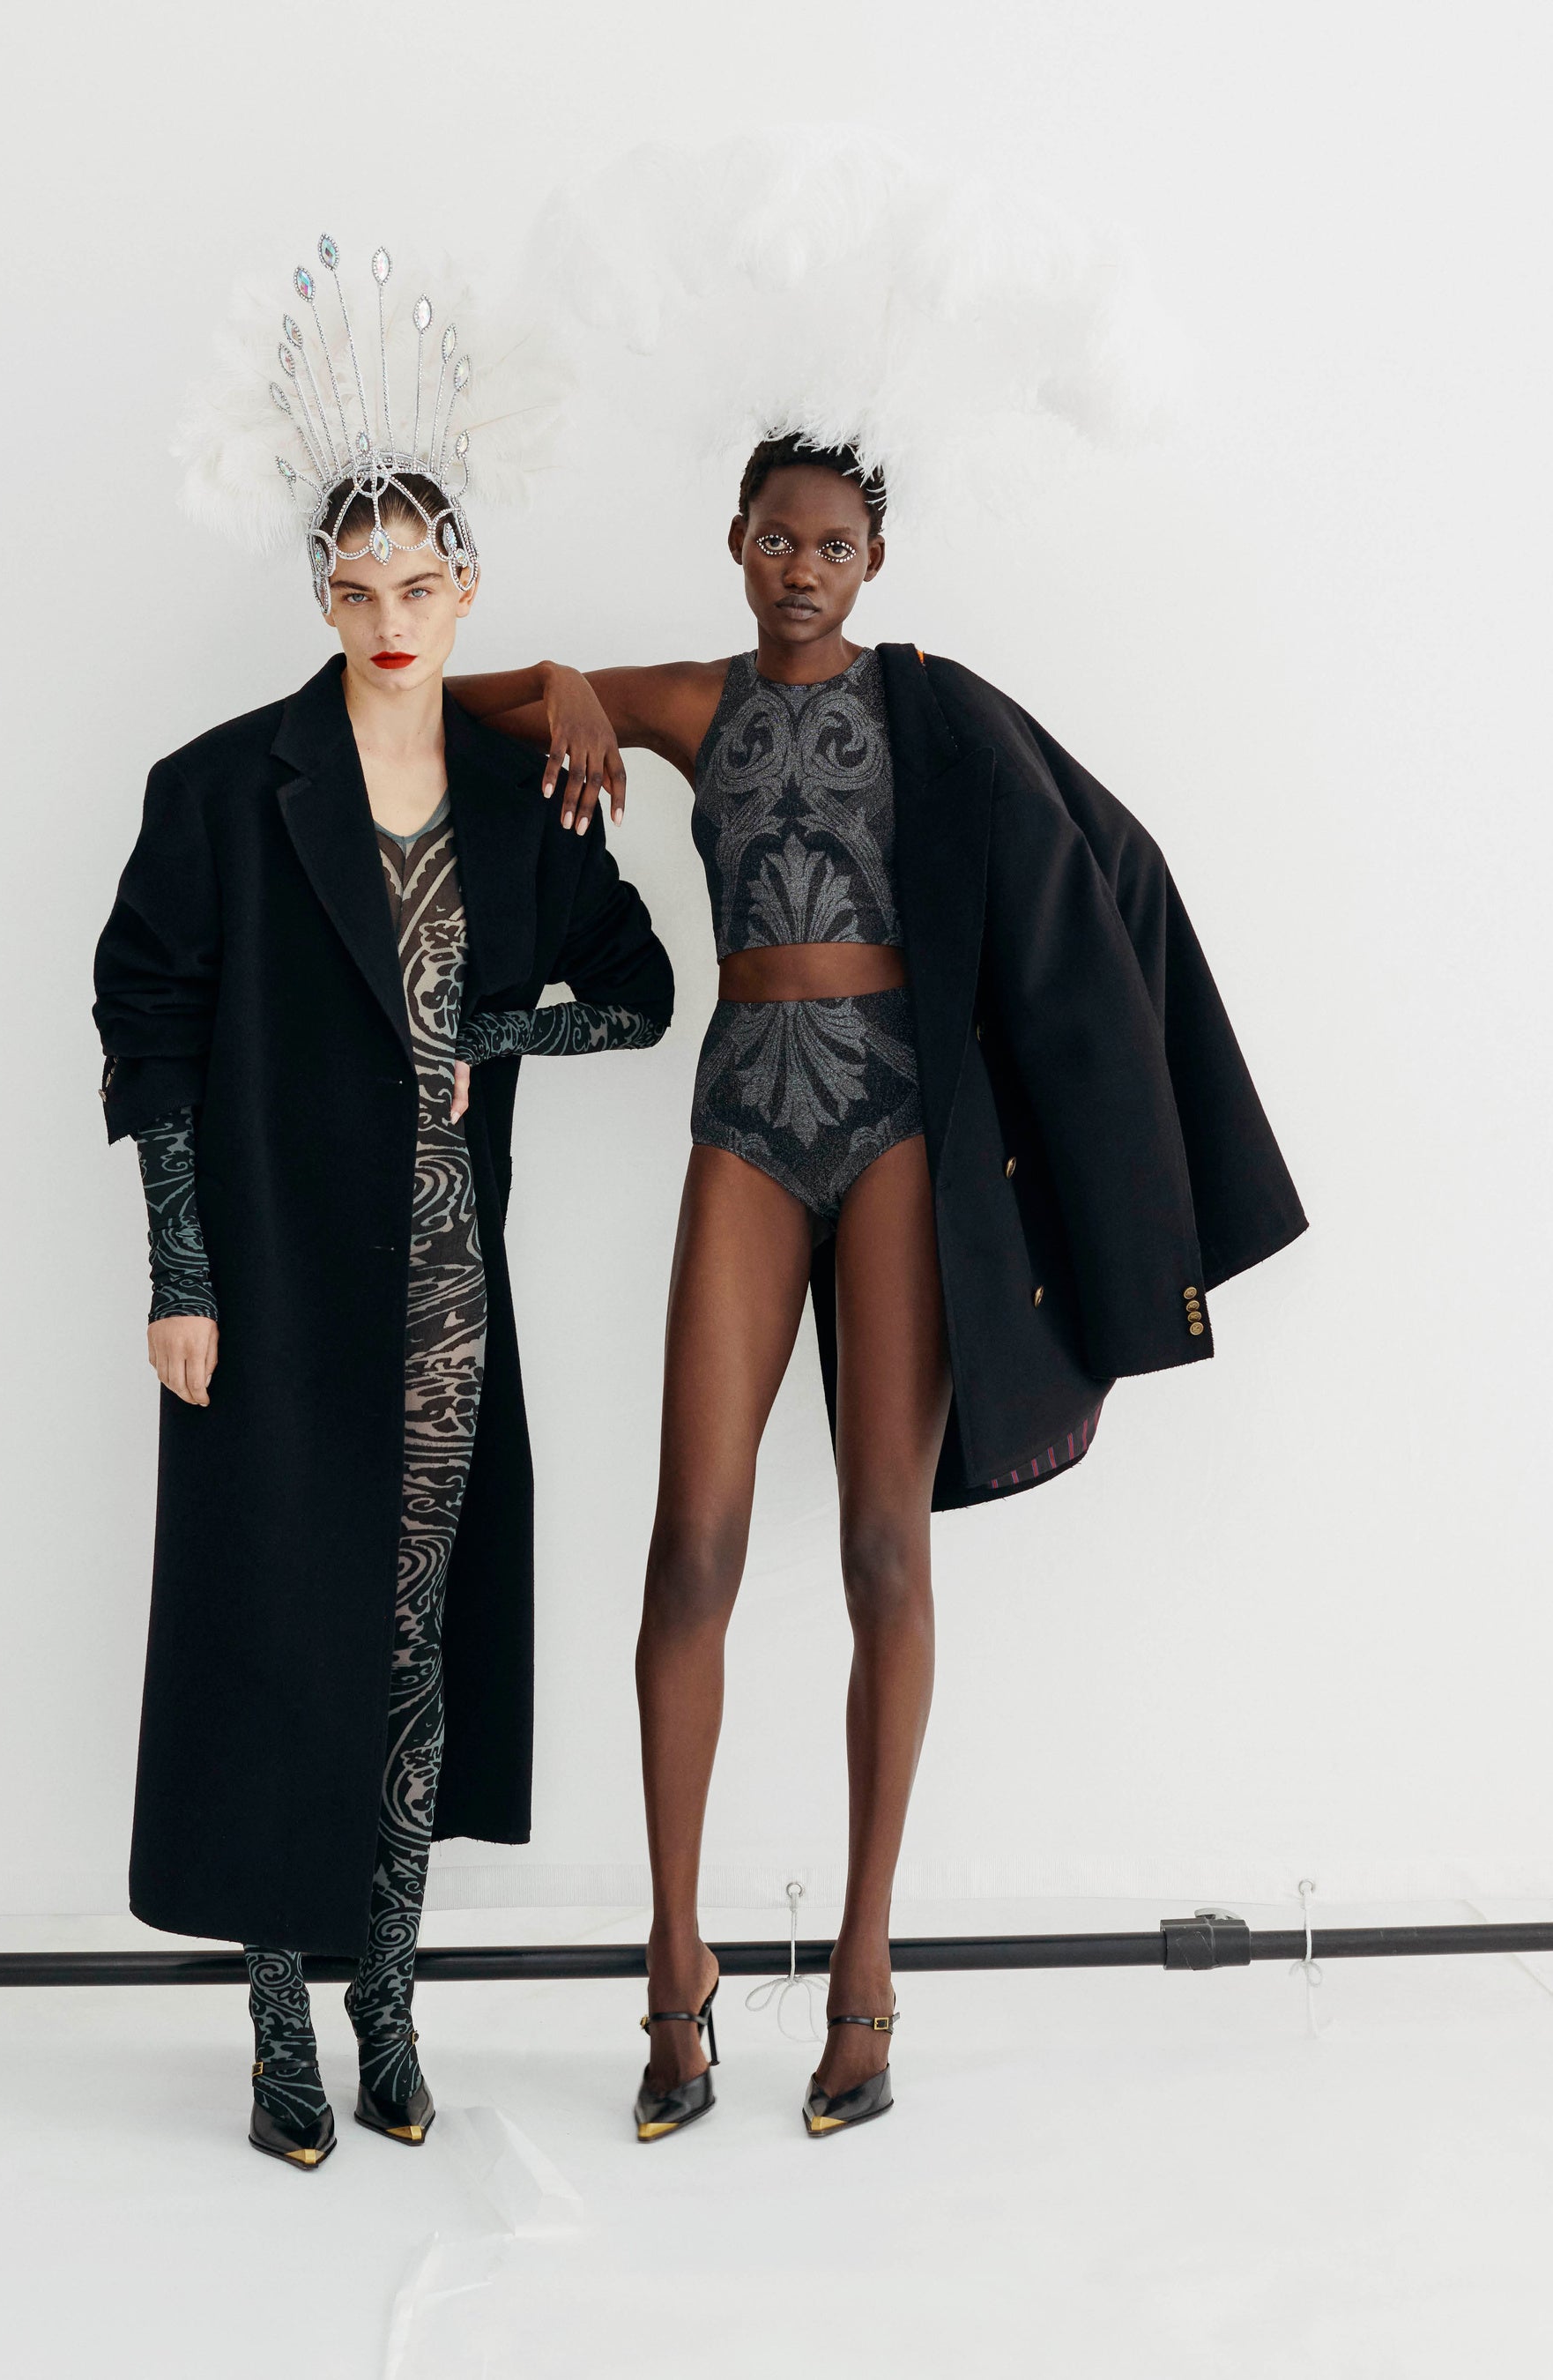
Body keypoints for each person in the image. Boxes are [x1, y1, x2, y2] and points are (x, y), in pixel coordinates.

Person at [448, 434, 1306, 2140]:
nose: (802, 570)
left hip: (900, 1133)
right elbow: (457, 708)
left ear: (875, 561)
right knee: (691, 1548)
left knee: (882, 1552)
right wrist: (564, 682)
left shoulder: (928, 706)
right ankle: (674, 1965)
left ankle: (864, 1971)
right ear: (736, 541)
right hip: (746, 1127)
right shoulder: (694, 703)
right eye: (777, 540)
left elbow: (1098, 856)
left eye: (834, 546)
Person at [94, 240, 672, 2170]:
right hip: (271, 1290)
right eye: (356, 590)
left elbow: (645, 990)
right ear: (321, 597)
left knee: (412, 1654)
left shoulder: (518, 803)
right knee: (284, 1647)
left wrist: (500, 1027)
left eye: (420, 586)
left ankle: (389, 2005)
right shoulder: (222, 790)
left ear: (467, 585)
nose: (389, 619)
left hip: (444, 1305)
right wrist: (181, 1270)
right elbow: (150, 1024)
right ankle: (280, 2028)